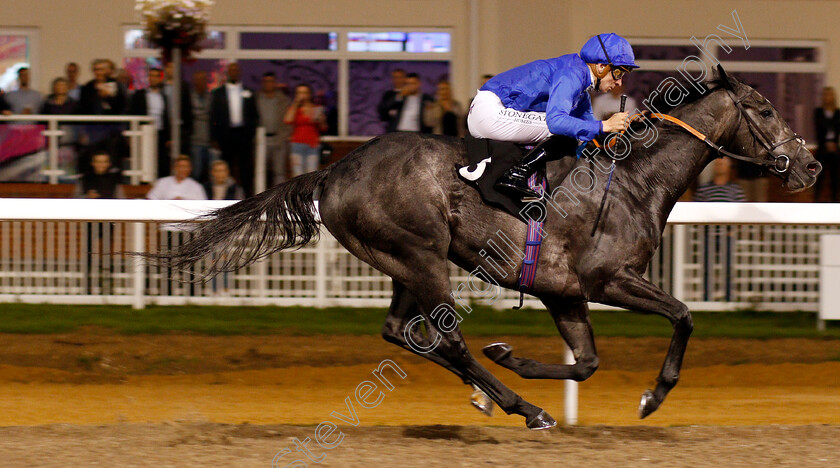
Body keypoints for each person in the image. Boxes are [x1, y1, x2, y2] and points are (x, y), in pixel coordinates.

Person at [465, 33, 638, 200]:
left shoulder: (583, 89)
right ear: (601, 67)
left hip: (495, 111)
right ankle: (516, 174)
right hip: (490, 111)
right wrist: (605, 125)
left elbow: (589, 132)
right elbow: (556, 122)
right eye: (618, 73)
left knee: (574, 132)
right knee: (565, 131)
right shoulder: (572, 74)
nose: (619, 82)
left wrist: (626, 130)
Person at [210, 62, 258, 195]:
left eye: (236, 70)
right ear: (227, 73)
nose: (233, 72)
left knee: (246, 168)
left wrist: (251, 134)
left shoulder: (248, 91)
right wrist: (214, 138)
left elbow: (254, 115)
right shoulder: (218, 93)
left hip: (243, 135)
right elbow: (213, 115)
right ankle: (227, 196)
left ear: (239, 72)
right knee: (226, 166)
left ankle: (248, 197)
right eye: (231, 70)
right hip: (226, 135)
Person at [129, 67, 171, 178]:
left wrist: (168, 136)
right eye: (151, 76)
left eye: (156, 76)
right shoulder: (139, 95)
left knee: (160, 160)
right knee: (145, 159)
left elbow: (166, 116)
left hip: (160, 133)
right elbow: (133, 113)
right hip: (144, 133)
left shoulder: (164, 96)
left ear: (160, 78)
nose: (153, 79)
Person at [284, 84, 327, 178]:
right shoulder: (295, 109)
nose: (302, 95)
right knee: (297, 176)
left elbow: (323, 128)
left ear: (309, 94)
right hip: (297, 144)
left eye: (304, 92)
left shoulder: (316, 108)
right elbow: (288, 120)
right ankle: (299, 193)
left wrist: (322, 120)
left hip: (313, 144)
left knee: (312, 176)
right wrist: (295, 103)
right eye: (299, 93)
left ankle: (311, 193)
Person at [257, 71, 292, 185]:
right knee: (260, 171)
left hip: (279, 139)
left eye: (271, 81)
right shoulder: (257, 98)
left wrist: (285, 136)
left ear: (275, 83)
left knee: (279, 172)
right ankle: (261, 198)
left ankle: (278, 199)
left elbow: (289, 119)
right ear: (263, 83)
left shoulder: (283, 100)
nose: (269, 84)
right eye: (266, 81)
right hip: (261, 140)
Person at [814, 86, 840, 202]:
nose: (827, 97)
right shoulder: (818, 112)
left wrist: (833, 143)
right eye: (825, 95)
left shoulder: (838, 112)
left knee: (835, 177)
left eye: (829, 95)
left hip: (835, 148)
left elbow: (836, 127)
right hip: (822, 148)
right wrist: (827, 143)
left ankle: (835, 202)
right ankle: (816, 201)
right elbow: (821, 126)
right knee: (820, 177)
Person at [188, 70, 213, 183]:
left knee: (211, 173)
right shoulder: (189, 97)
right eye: (198, 80)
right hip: (195, 141)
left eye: (203, 79)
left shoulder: (211, 97)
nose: (201, 82)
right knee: (196, 172)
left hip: (210, 141)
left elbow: (213, 115)